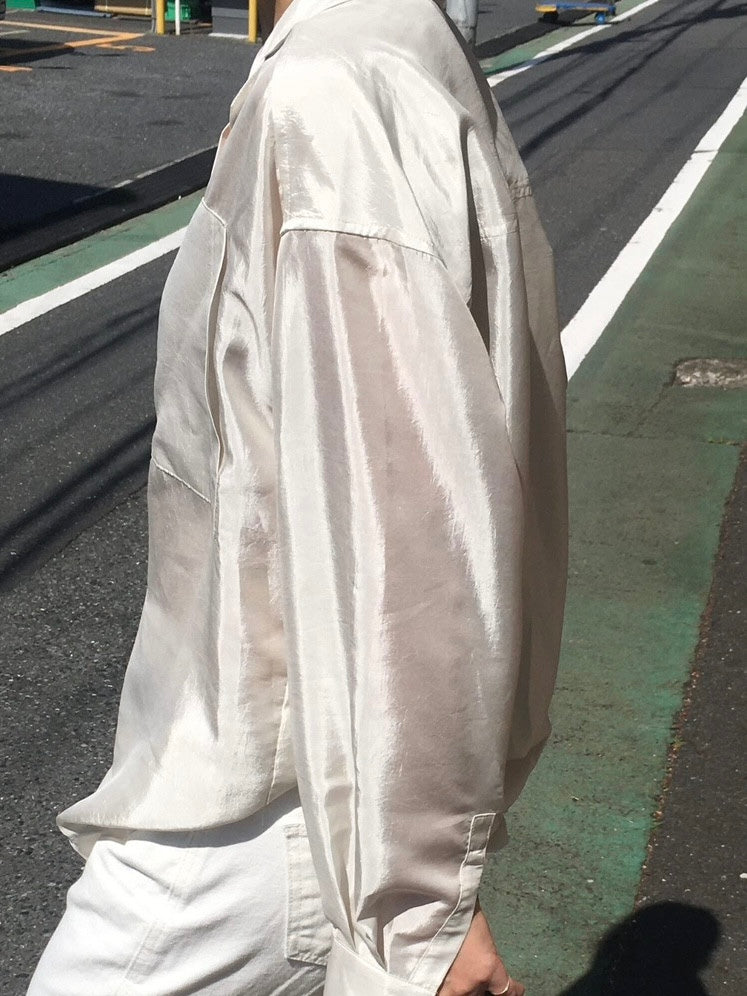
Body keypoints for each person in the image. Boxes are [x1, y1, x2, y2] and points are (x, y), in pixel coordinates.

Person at [28, 0, 567, 993]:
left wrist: (419, 912)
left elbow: (410, 528)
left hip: (267, 788)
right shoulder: (402, 54)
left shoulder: (330, 89)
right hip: (300, 768)